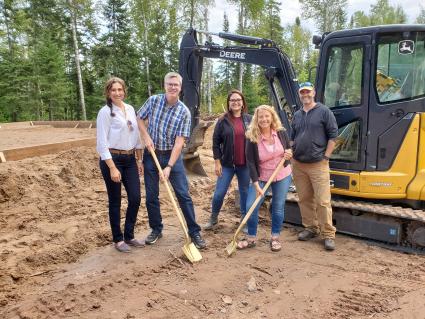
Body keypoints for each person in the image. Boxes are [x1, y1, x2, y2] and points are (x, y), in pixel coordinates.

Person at [137, 72, 206, 249]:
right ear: (165, 85)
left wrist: (169, 166)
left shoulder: (184, 111)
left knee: (183, 194)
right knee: (151, 195)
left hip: (171, 156)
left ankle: (194, 231)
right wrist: (145, 136)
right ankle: (156, 229)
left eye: (176, 85)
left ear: (180, 88)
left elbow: (179, 143)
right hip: (151, 155)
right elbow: (139, 118)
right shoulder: (153, 101)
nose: (173, 87)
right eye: (170, 84)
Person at [96, 77, 145, 253]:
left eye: (120, 89)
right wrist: (112, 167)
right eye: (113, 90)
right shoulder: (105, 112)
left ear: (124, 91)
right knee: (115, 200)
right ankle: (118, 239)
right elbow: (101, 143)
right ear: (108, 93)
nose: (117, 93)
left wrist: (139, 160)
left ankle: (129, 235)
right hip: (112, 159)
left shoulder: (130, 109)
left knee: (135, 197)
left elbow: (136, 135)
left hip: (130, 159)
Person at [237, 105, 293, 252]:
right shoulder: (252, 137)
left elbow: (288, 151)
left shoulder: (281, 133)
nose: (264, 119)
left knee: (278, 207)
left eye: (267, 116)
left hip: (282, 175)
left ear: (272, 117)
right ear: (256, 119)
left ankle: (275, 237)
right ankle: (251, 237)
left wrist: (288, 155)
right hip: (261, 177)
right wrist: (255, 183)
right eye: (261, 117)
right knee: (251, 205)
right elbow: (250, 162)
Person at [291, 82, 338, 251]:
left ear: (314, 92)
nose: (305, 95)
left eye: (308, 92)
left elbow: (333, 136)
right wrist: (290, 153)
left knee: (323, 201)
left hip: (318, 164)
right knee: (304, 198)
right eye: (302, 92)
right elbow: (292, 137)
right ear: (299, 95)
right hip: (298, 164)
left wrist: (326, 157)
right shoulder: (296, 115)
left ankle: (328, 234)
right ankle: (310, 227)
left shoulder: (324, 111)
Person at [204, 90, 252, 230]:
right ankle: (213, 218)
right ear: (229, 103)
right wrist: (217, 162)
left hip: (245, 165)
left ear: (243, 103)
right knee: (219, 192)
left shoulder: (249, 119)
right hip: (227, 165)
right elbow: (215, 142)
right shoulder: (222, 120)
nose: (236, 102)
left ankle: (244, 220)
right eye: (233, 100)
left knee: (244, 192)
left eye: (238, 100)